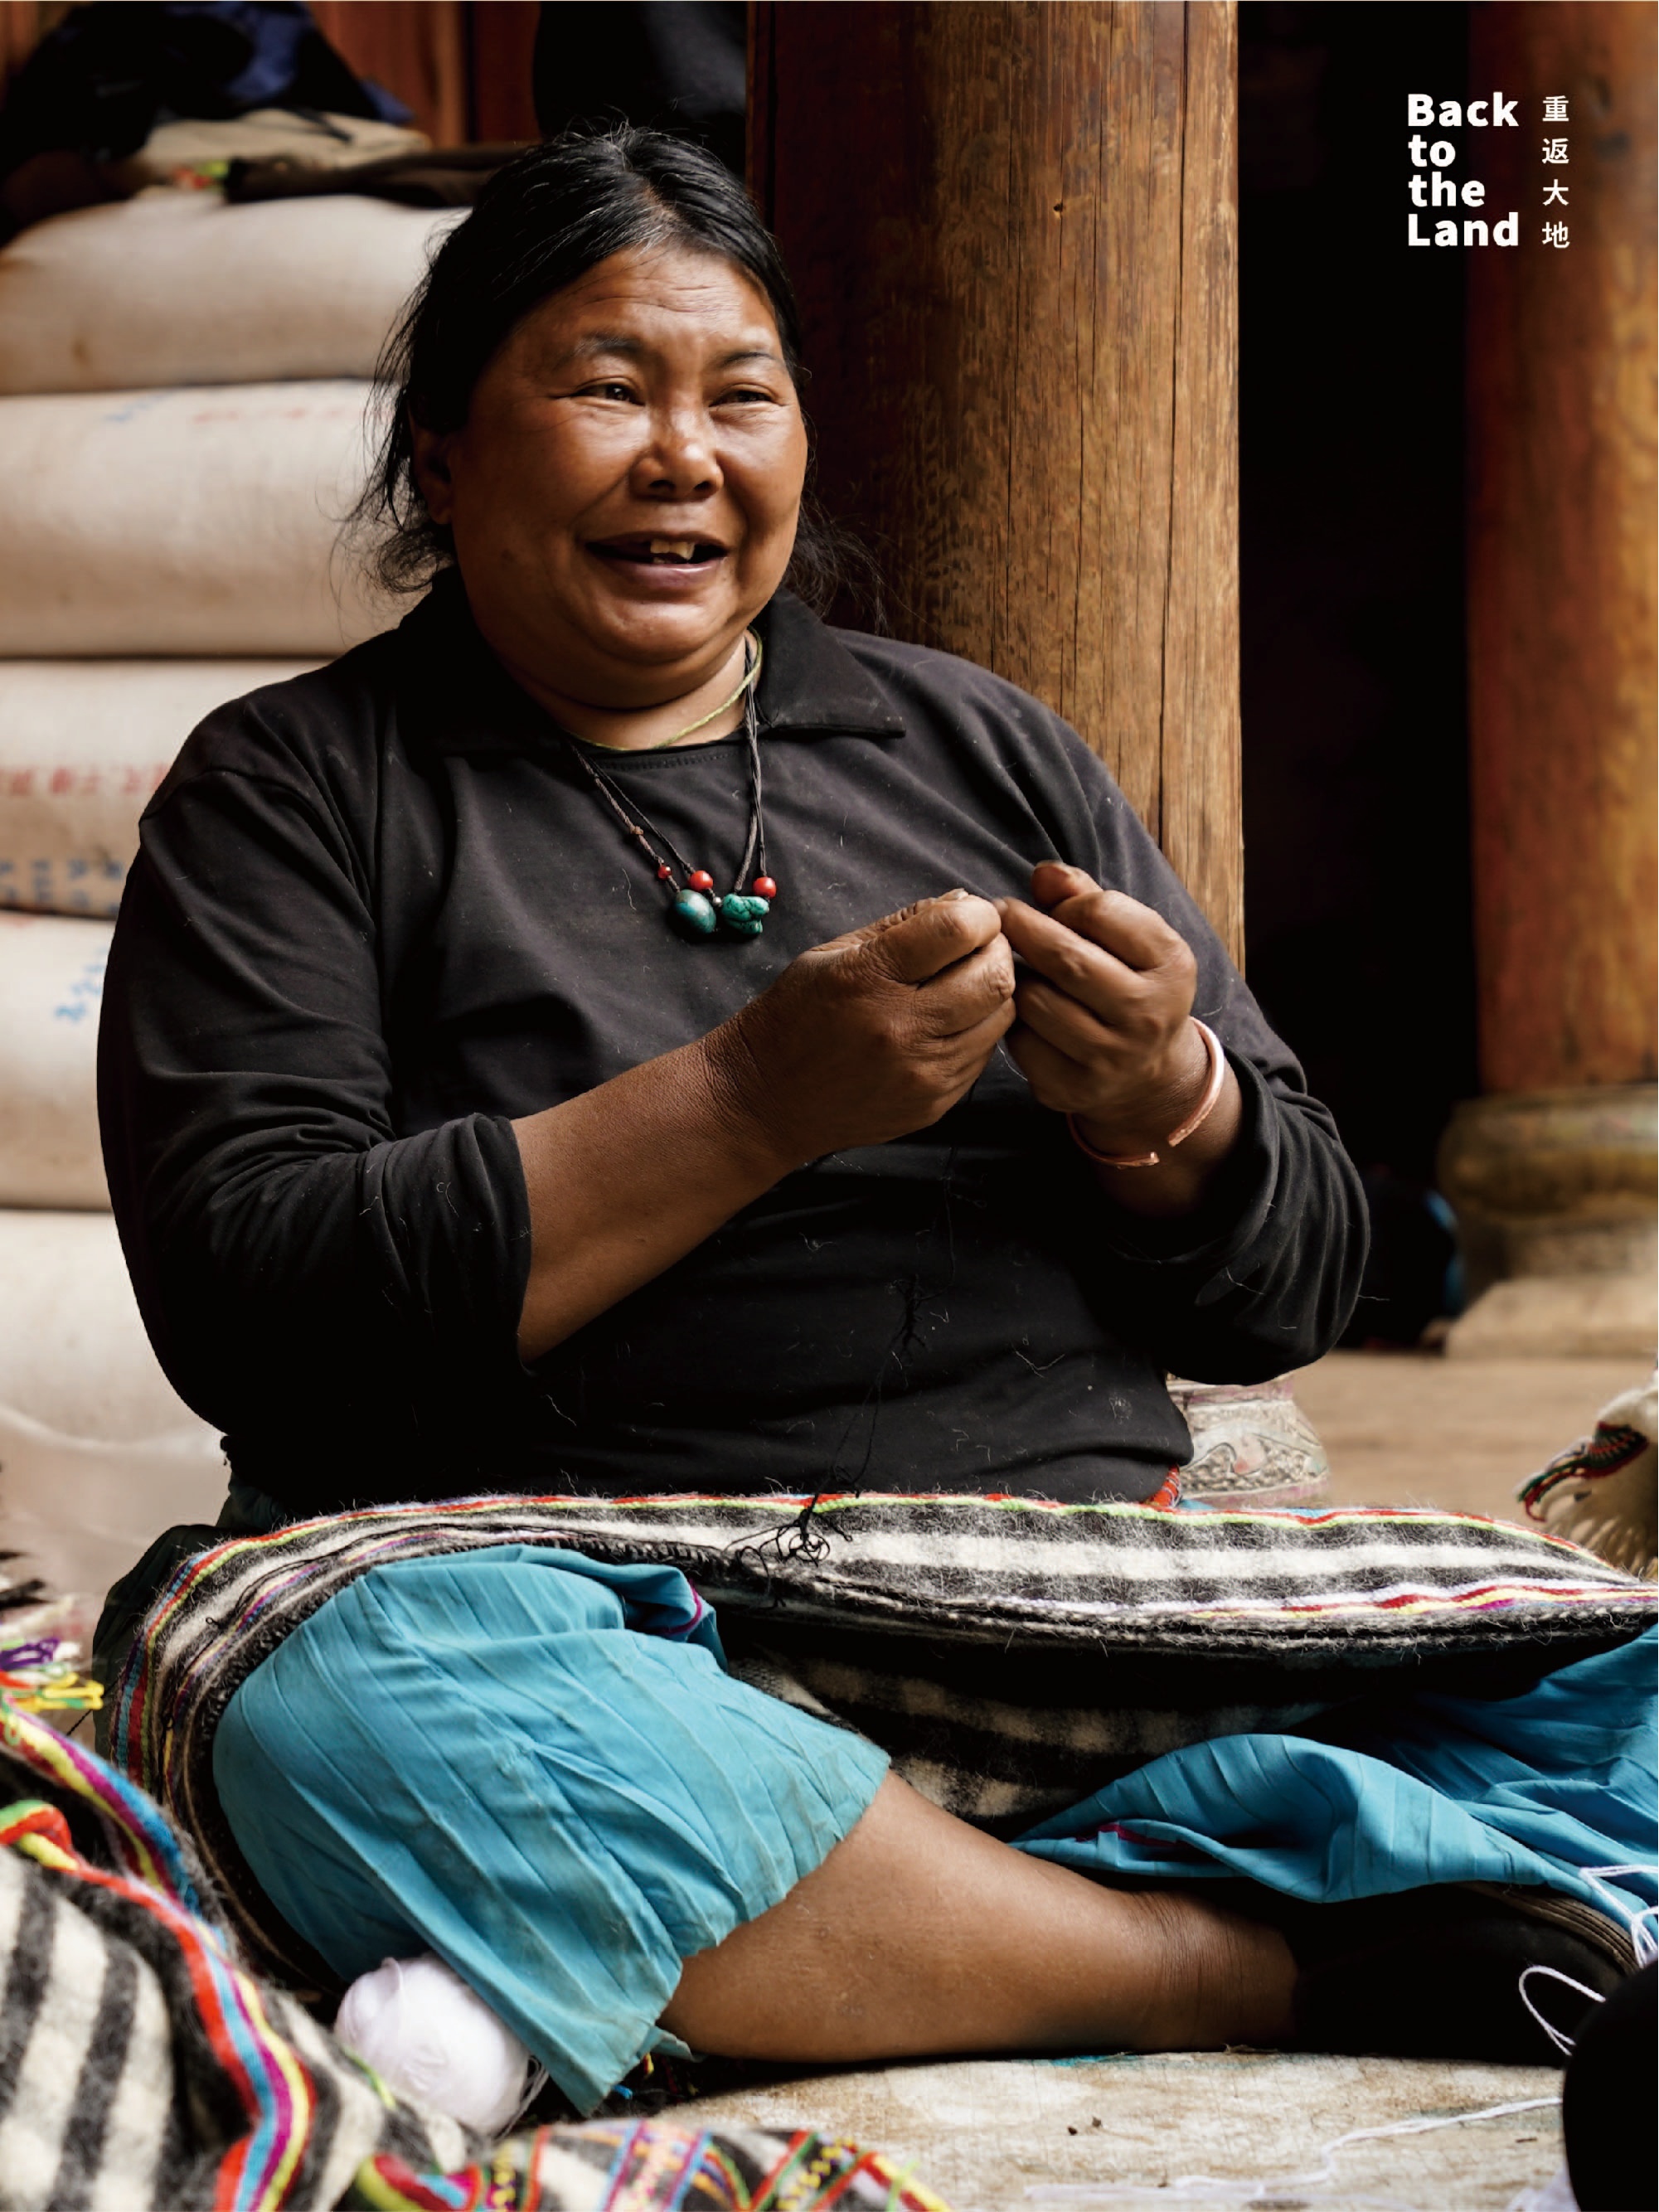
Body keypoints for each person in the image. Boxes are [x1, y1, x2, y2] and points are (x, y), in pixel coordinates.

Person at [96, 129, 1652, 2117]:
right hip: (596, 1616)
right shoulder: (296, 791)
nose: (685, 454)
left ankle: (758, 1938)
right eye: (604, 386)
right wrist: (749, 1100)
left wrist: (1161, 1103)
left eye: (741, 394)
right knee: (321, 1687)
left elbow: (1298, 1274)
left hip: (1071, 1623)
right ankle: (1260, 1946)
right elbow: (255, 1302)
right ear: (441, 459)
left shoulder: (973, 743)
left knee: (1624, 1668)